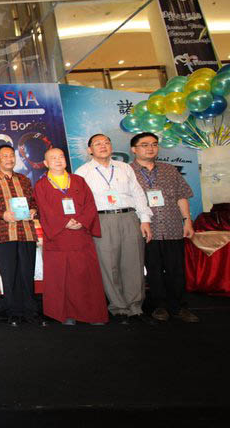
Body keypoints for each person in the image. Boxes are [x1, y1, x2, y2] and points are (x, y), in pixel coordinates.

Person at [76, 134, 154, 325]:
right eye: (98, 144)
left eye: (106, 143)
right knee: (108, 265)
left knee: (134, 262)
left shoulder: (124, 167)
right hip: (101, 219)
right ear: (90, 150)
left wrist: (145, 220)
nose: (103, 146)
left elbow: (138, 194)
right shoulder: (82, 172)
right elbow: (80, 202)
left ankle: (135, 307)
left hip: (129, 217)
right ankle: (118, 308)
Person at [34, 148, 108, 326]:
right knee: (62, 277)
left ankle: (92, 314)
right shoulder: (41, 185)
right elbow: (44, 210)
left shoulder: (78, 181)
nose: (58, 160)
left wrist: (81, 221)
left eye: (61, 157)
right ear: (46, 163)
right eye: (53, 158)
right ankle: (66, 313)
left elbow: (90, 205)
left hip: (81, 235)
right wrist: (64, 223)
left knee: (86, 275)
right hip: (58, 237)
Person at [130, 132, 198, 323]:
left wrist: (187, 221)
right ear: (134, 149)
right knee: (153, 270)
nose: (150, 148)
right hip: (145, 229)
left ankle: (179, 307)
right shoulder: (126, 172)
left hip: (172, 226)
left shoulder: (169, 170)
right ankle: (158, 306)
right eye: (144, 145)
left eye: (154, 144)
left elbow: (182, 196)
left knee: (176, 269)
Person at [0, 145, 45, 327]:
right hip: (3, 235)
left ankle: (31, 313)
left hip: (26, 233)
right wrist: (2, 215)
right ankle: (14, 314)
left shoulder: (24, 180)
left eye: (11, 155)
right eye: (5, 156)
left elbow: (34, 203)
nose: (9, 159)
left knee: (27, 274)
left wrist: (33, 210)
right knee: (9, 276)